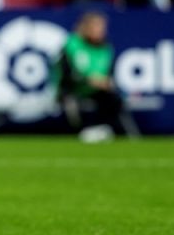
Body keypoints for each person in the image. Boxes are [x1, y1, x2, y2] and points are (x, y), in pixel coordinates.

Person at [54, 11, 139, 141]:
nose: (101, 31)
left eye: (102, 27)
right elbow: (67, 73)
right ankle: (82, 133)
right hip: (72, 89)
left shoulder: (106, 48)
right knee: (71, 106)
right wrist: (87, 80)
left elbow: (109, 73)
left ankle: (124, 135)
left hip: (95, 91)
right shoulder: (73, 44)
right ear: (86, 28)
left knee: (113, 99)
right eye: (97, 27)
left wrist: (106, 82)